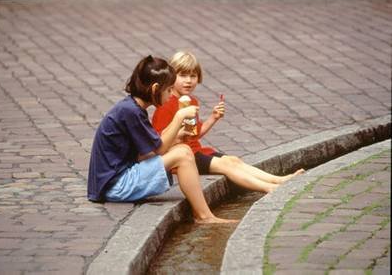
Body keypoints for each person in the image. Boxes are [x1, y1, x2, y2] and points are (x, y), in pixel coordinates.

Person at [87, 55, 236, 224]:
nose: (171, 94)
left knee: (181, 150)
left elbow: (147, 151)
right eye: (169, 90)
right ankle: (204, 216)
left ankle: (202, 214)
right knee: (183, 154)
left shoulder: (131, 108)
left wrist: (176, 137)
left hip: (114, 180)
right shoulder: (131, 112)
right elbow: (159, 149)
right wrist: (179, 116)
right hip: (114, 187)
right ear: (155, 88)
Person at [152, 51, 304, 193]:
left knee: (234, 160)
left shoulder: (192, 101)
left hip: (196, 150)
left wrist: (213, 118)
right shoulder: (167, 104)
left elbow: (195, 134)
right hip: (184, 157)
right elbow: (160, 143)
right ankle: (270, 188)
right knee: (226, 165)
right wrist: (178, 135)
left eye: (193, 76)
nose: (188, 81)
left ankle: (278, 179)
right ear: (172, 77)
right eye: (183, 75)